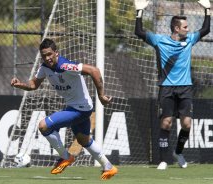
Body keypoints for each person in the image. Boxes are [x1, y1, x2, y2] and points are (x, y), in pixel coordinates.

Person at [11, 38, 118, 180]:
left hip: (81, 109)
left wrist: (102, 96)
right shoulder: (45, 68)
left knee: (43, 126)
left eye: (49, 54)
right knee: (83, 140)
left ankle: (65, 157)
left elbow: (94, 71)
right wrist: (20, 84)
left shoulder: (66, 66)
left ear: (56, 53)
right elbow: (33, 85)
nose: (47, 58)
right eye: (44, 55)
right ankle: (108, 166)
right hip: (75, 107)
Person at [134, 0, 210, 170]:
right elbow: (138, 31)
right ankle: (163, 160)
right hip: (166, 87)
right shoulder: (159, 40)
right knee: (166, 122)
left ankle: (178, 152)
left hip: (185, 87)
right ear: (176, 28)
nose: (188, 29)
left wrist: (207, 9)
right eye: (185, 27)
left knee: (187, 124)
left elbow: (205, 29)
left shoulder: (190, 39)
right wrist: (139, 12)